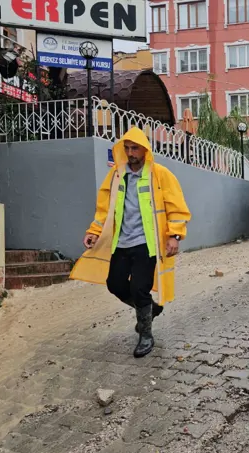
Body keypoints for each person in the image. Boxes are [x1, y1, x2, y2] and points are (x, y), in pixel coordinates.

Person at [70, 127, 191, 358]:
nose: (130, 152)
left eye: (134, 148)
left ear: (145, 150)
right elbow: (104, 209)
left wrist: (174, 236)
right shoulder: (116, 175)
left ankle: (145, 334)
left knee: (139, 288)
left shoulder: (160, 174)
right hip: (121, 243)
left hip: (147, 243)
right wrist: (94, 231)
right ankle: (150, 309)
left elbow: (177, 208)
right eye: (126, 148)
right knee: (115, 284)